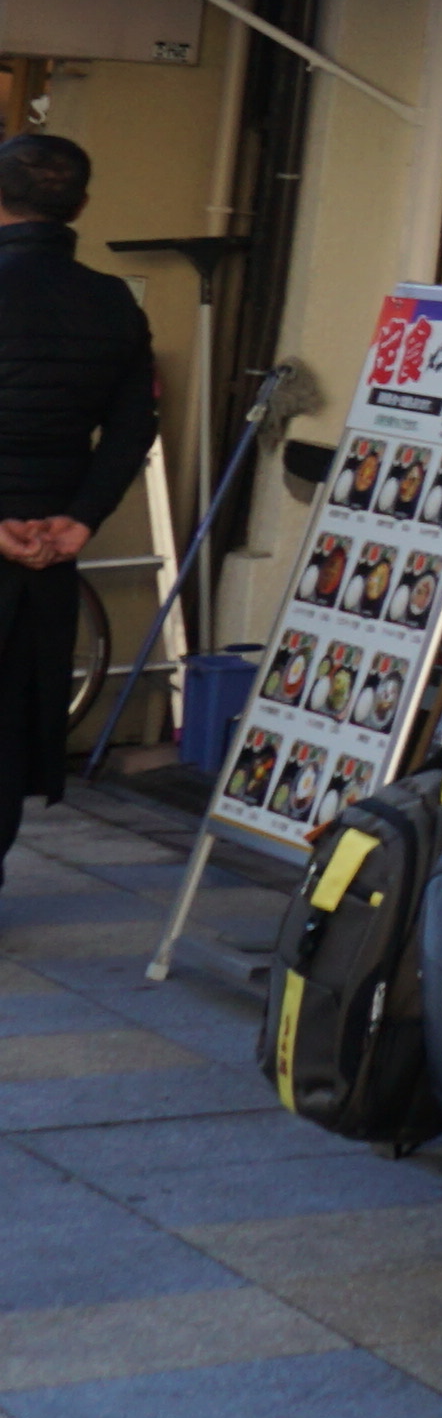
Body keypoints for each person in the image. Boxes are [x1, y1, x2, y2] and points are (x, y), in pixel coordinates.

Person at [0, 131, 163, 887]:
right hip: (50, 544)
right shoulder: (112, 302)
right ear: (81, 205)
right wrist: (80, 519)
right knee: (8, 722)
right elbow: (133, 427)